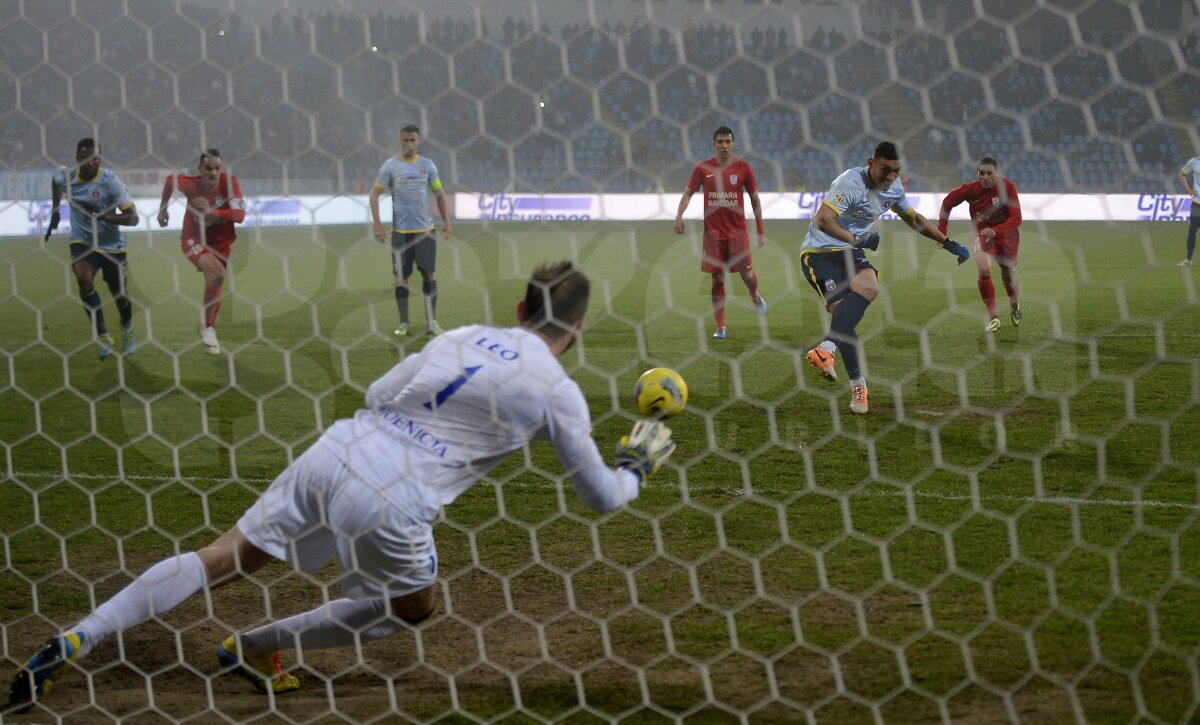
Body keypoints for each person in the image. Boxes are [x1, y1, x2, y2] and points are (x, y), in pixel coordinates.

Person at [5, 261, 676, 713]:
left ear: (518, 306)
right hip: (395, 495)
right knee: (412, 608)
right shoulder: (558, 392)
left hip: (340, 446)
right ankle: (255, 644)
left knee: (224, 557)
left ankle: (79, 635)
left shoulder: (464, 333)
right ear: (578, 329)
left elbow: (380, 392)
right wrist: (636, 464)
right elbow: (600, 497)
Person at [800, 141, 970, 415]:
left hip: (851, 251)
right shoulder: (851, 182)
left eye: (896, 171)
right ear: (871, 163)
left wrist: (946, 241)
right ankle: (858, 384)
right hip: (820, 253)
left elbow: (913, 219)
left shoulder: (894, 188)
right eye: (885, 169)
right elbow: (822, 220)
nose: (890, 177)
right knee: (845, 315)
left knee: (867, 288)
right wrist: (859, 238)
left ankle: (827, 350)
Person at [44, 138, 141, 361]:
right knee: (83, 278)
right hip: (83, 242)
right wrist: (56, 211)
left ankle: (127, 328)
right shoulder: (67, 177)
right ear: (78, 159)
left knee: (121, 296)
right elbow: (56, 181)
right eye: (87, 158)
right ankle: (103, 337)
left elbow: (134, 218)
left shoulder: (111, 182)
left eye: (96, 159)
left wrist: (105, 216)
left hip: (112, 246)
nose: (91, 163)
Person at [673, 125, 767, 340]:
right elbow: (688, 193)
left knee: (747, 275)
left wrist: (760, 230)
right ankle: (721, 326)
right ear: (714, 144)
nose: (724, 146)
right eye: (720, 142)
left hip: (737, 235)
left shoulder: (743, 168)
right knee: (718, 279)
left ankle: (754, 295)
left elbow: (754, 199)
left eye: (728, 141)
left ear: (733, 144)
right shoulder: (703, 168)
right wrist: (679, 215)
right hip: (713, 236)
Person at [156, 149, 247, 354]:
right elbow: (171, 180)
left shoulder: (230, 183)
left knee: (215, 281)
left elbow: (240, 215)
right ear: (200, 169)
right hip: (193, 239)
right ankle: (208, 329)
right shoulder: (191, 184)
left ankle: (207, 327)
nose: (213, 173)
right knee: (217, 274)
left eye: (217, 168)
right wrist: (163, 208)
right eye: (208, 168)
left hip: (221, 243)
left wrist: (211, 212)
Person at [370, 124, 452, 337]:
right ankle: (404, 323)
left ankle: (431, 322)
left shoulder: (427, 165)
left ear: (418, 141)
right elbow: (374, 195)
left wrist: (447, 222)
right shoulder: (390, 166)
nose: (408, 144)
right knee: (401, 279)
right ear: (399, 141)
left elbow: (440, 194)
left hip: (425, 231)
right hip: (400, 233)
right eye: (405, 140)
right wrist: (377, 226)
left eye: (412, 140)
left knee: (429, 274)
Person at [937, 156, 1023, 331]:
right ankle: (993, 317)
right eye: (981, 173)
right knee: (983, 268)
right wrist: (942, 230)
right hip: (982, 234)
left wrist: (996, 230)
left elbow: (1016, 218)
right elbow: (947, 203)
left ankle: (1015, 306)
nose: (985, 177)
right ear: (977, 173)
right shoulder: (970, 190)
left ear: (996, 173)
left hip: (1007, 236)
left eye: (989, 173)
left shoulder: (1007, 187)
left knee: (1008, 274)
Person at [1178, 153, 1200, 267]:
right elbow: (1181, 175)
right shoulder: (1195, 162)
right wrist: (1189, 191)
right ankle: (1188, 260)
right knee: (1192, 231)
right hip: (1197, 205)